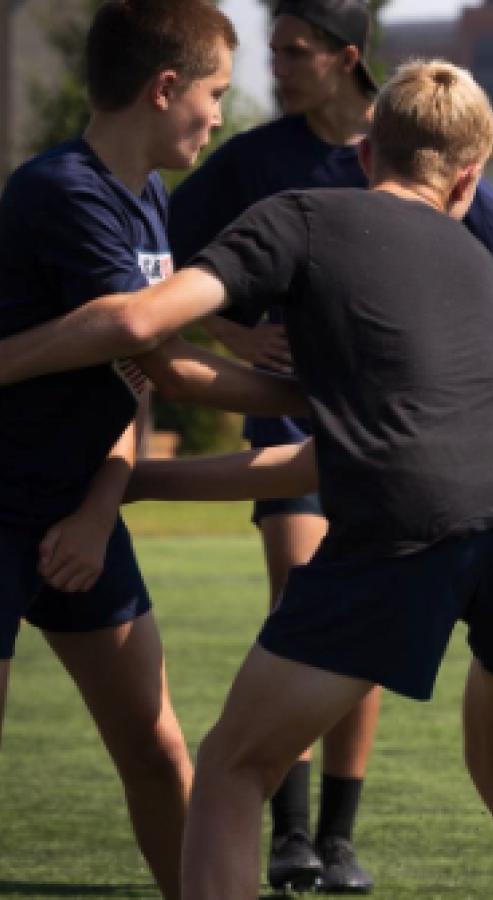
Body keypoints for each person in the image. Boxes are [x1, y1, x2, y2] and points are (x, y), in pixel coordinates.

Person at [0, 59, 493, 900]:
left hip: (409, 521)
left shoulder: (300, 216)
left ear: (364, 156)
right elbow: (351, 445)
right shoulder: (472, 265)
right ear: (470, 181)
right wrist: (140, 484)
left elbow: (141, 325)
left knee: (234, 766)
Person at [168, 0, 493, 889]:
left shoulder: (416, 141)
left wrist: (434, 360)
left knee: (363, 615)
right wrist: (233, 337)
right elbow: (174, 264)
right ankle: (291, 833)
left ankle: (337, 834)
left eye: (296, 52)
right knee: (311, 607)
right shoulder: (258, 162)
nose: (279, 71)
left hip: (402, 442)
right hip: (306, 419)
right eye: (271, 52)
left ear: (349, 58)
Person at [0, 1, 306, 897]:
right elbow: (161, 363)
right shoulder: (59, 191)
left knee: (157, 746)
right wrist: (323, 401)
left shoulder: (149, 198)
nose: (220, 114)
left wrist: (98, 510)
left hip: (71, 507)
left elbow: (126, 382)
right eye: (214, 92)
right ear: (165, 87)